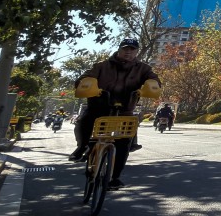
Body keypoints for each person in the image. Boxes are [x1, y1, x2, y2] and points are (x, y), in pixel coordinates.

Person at [67, 38, 160, 190]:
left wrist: (150, 86)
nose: (128, 52)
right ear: (119, 49)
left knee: (124, 142)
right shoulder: (101, 66)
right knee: (83, 122)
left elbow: (155, 80)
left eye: (132, 49)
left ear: (136, 52)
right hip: (98, 107)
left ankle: (115, 178)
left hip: (125, 110)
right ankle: (82, 147)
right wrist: (87, 84)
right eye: (125, 49)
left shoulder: (143, 69)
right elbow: (83, 78)